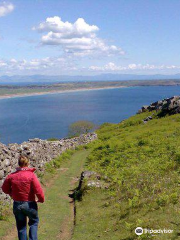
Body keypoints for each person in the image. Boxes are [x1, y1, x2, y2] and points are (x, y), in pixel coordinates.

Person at [2, 154, 45, 240]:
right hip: (30, 204)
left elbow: (4, 188)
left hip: (17, 205)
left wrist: (12, 193)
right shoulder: (31, 175)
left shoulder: (11, 176)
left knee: (21, 227)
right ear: (28, 163)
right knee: (33, 223)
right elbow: (38, 190)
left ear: (18, 163)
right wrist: (41, 199)